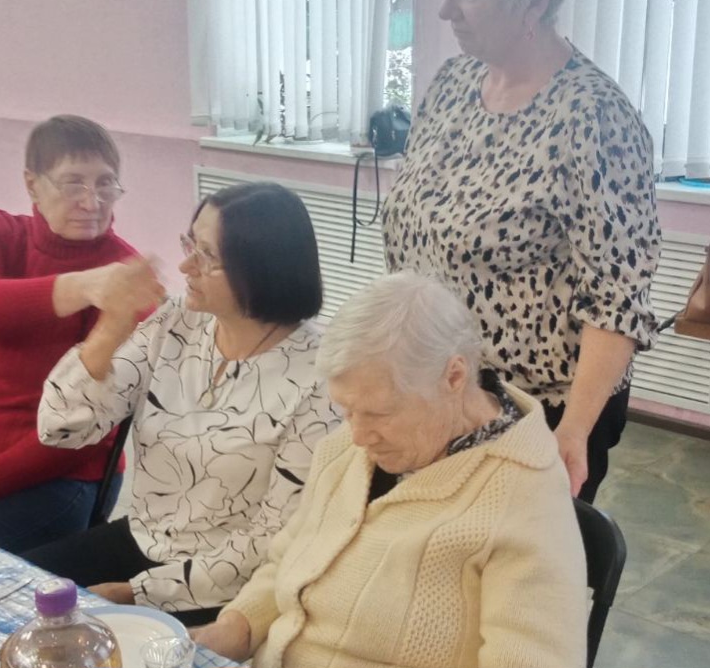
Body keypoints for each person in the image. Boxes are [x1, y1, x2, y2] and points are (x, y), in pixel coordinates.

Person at [382, 0, 660, 503]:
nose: (446, 10)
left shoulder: (596, 119)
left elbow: (616, 302)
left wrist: (574, 431)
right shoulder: (453, 85)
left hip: (536, 411)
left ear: (535, 0)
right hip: (440, 387)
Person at [194, 272, 587, 668]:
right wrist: (237, 627)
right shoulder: (350, 445)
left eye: (379, 414)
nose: (358, 436)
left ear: (454, 377)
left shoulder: (525, 502)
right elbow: (289, 557)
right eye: (347, 411)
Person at [31, 181, 341, 626]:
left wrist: (136, 594)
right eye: (189, 243)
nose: (185, 265)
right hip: (142, 540)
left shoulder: (319, 378)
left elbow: (274, 537)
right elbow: (61, 427)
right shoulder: (178, 321)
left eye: (207, 255)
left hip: (228, 585)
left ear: (262, 267)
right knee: (12, 596)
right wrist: (112, 326)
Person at [0, 115, 162, 553]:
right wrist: (85, 285)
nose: (92, 202)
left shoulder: (126, 281)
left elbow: (85, 431)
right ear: (32, 184)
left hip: (56, 477)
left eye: (106, 184)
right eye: (73, 183)